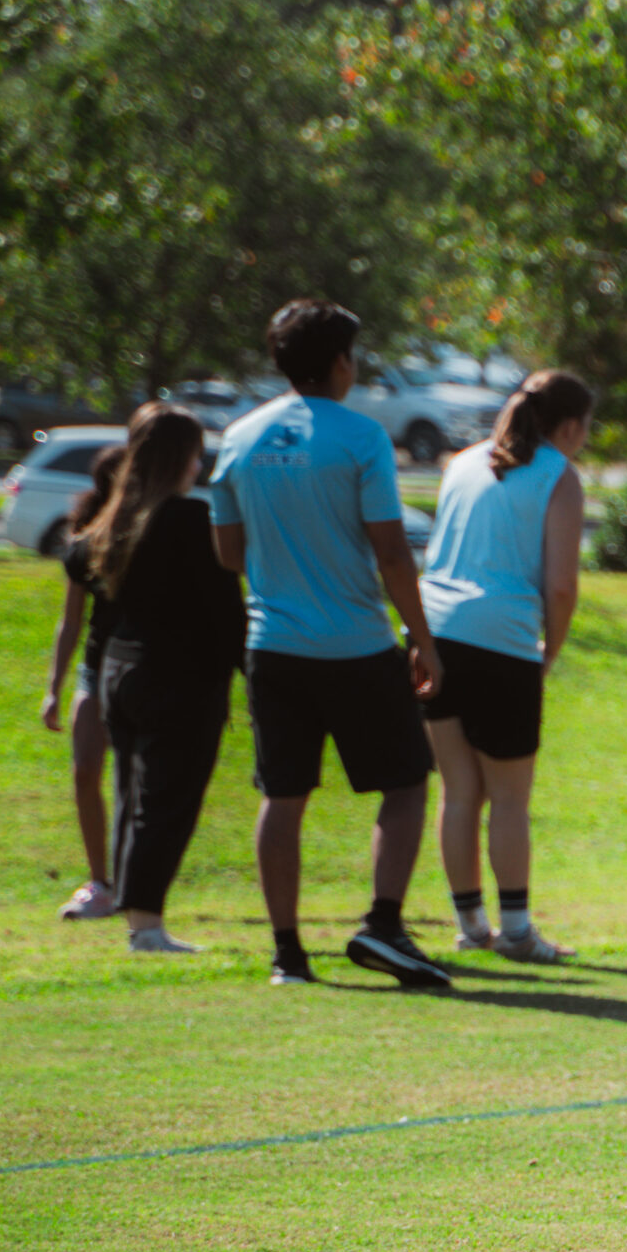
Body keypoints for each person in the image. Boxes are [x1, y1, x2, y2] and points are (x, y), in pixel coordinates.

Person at [209, 298, 450, 990]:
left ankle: (287, 954)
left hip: (273, 645)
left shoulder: (239, 437)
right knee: (406, 782)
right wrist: (423, 641)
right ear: (342, 361)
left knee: (282, 796)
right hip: (357, 646)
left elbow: (228, 553)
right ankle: (382, 924)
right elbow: (392, 554)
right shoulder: (362, 437)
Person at [418, 369, 595, 963]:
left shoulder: (462, 462)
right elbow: (561, 586)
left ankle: (472, 927)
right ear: (568, 427)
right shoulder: (558, 475)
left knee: (459, 791)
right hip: (502, 641)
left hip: (436, 634)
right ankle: (516, 931)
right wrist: (550, 652)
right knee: (510, 798)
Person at [86, 405, 246, 953]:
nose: (200, 464)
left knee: (131, 795)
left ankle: (135, 914)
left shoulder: (119, 515)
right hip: (177, 678)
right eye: (196, 453)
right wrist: (251, 672)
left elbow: (76, 561)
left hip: (120, 670)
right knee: (167, 802)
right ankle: (147, 925)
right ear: (183, 458)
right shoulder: (190, 519)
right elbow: (226, 610)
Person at [43, 445, 126, 921]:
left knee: (136, 780)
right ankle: (100, 882)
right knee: (85, 771)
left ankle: (135, 881)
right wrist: (54, 688)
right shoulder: (86, 541)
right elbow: (71, 619)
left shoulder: (153, 535)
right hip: (96, 669)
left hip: (143, 672)